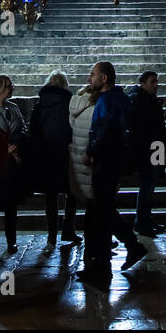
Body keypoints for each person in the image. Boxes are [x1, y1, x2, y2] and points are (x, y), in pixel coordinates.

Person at [79, 61, 148, 280]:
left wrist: (91, 149)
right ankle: (113, 255)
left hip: (106, 160)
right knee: (104, 209)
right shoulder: (121, 98)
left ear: (105, 78)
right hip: (116, 160)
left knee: (102, 210)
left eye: (93, 75)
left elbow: (105, 128)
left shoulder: (107, 99)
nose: (90, 78)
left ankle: (106, 262)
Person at [30, 71, 80, 250]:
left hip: (46, 156)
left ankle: (51, 236)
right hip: (66, 154)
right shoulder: (69, 103)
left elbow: (33, 131)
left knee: (50, 197)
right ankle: (68, 227)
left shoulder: (40, 104)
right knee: (72, 192)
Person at [0, 75, 30, 255]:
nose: (13, 88)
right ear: (1, 88)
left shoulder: (14, 108)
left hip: (12, 163)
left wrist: (16, 143)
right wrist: (4, 147)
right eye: (9, 86)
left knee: (11, 204)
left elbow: (24, 129)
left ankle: (12, 240)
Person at [126, 70, 166, 236]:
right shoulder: (138, 99)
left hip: (157, 147)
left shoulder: (147, 99)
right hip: (147, 149)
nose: (156, 85)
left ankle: (146, 218)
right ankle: (141, 222)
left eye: (157, 81)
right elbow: (141, 126)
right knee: (147, 185)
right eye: (152, 82)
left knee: (151, 185)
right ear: (143, 83)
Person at [68, 71, 98, 266]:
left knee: (90, 205)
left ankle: (91, 249)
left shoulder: (74, 105)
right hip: (91, 159)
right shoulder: (97, 107)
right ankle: (95, 247)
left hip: (77, 158)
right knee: (97, 206)